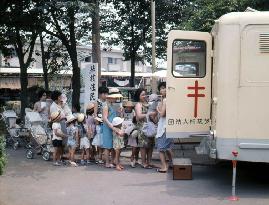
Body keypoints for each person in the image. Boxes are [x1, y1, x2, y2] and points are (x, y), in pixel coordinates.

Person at [134, 88, 156, 169]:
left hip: (150, 126)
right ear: (138, 96)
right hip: (142, 127)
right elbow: (139, 116)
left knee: (150, 145)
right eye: (142, 95)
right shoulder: (138, 105)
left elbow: (153, 116)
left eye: (145, 94)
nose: (144, 96)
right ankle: (143, 162)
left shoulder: (149, 104)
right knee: (143, 146)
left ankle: (149, 162)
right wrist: (149, 113)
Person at [102, 88, 123, 168]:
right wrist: (112, 127)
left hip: (112, 126)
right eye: (115, 97)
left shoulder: (111, 105)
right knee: (107, 146)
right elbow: (105, 118)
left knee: (113, 145)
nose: (116, 99)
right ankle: (107, 162)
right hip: (108, 127)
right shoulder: (106, 106)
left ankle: (112, 161)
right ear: (110, 97)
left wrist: (120, 113)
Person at [156, 82, 173, 173]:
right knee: (168, 147)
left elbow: (162, 114)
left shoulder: (166, 100)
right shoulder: (170, 99)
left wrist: (158, 110)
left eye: (164, 88)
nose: (162, 90)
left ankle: (164, 167)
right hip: (169, 125)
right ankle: (171, 163)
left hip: (164, 126)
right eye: (161, 88)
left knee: (161, 148)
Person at [123, 101, 139, 168]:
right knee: (122, 145)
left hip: (133, 130)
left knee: (135, 146)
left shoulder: (134, 112)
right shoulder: (122, 111)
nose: (128, 108)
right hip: (125, 130)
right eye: (127, 107)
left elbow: (136, 121)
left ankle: (134, 158)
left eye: (130, 107)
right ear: (125, 107)